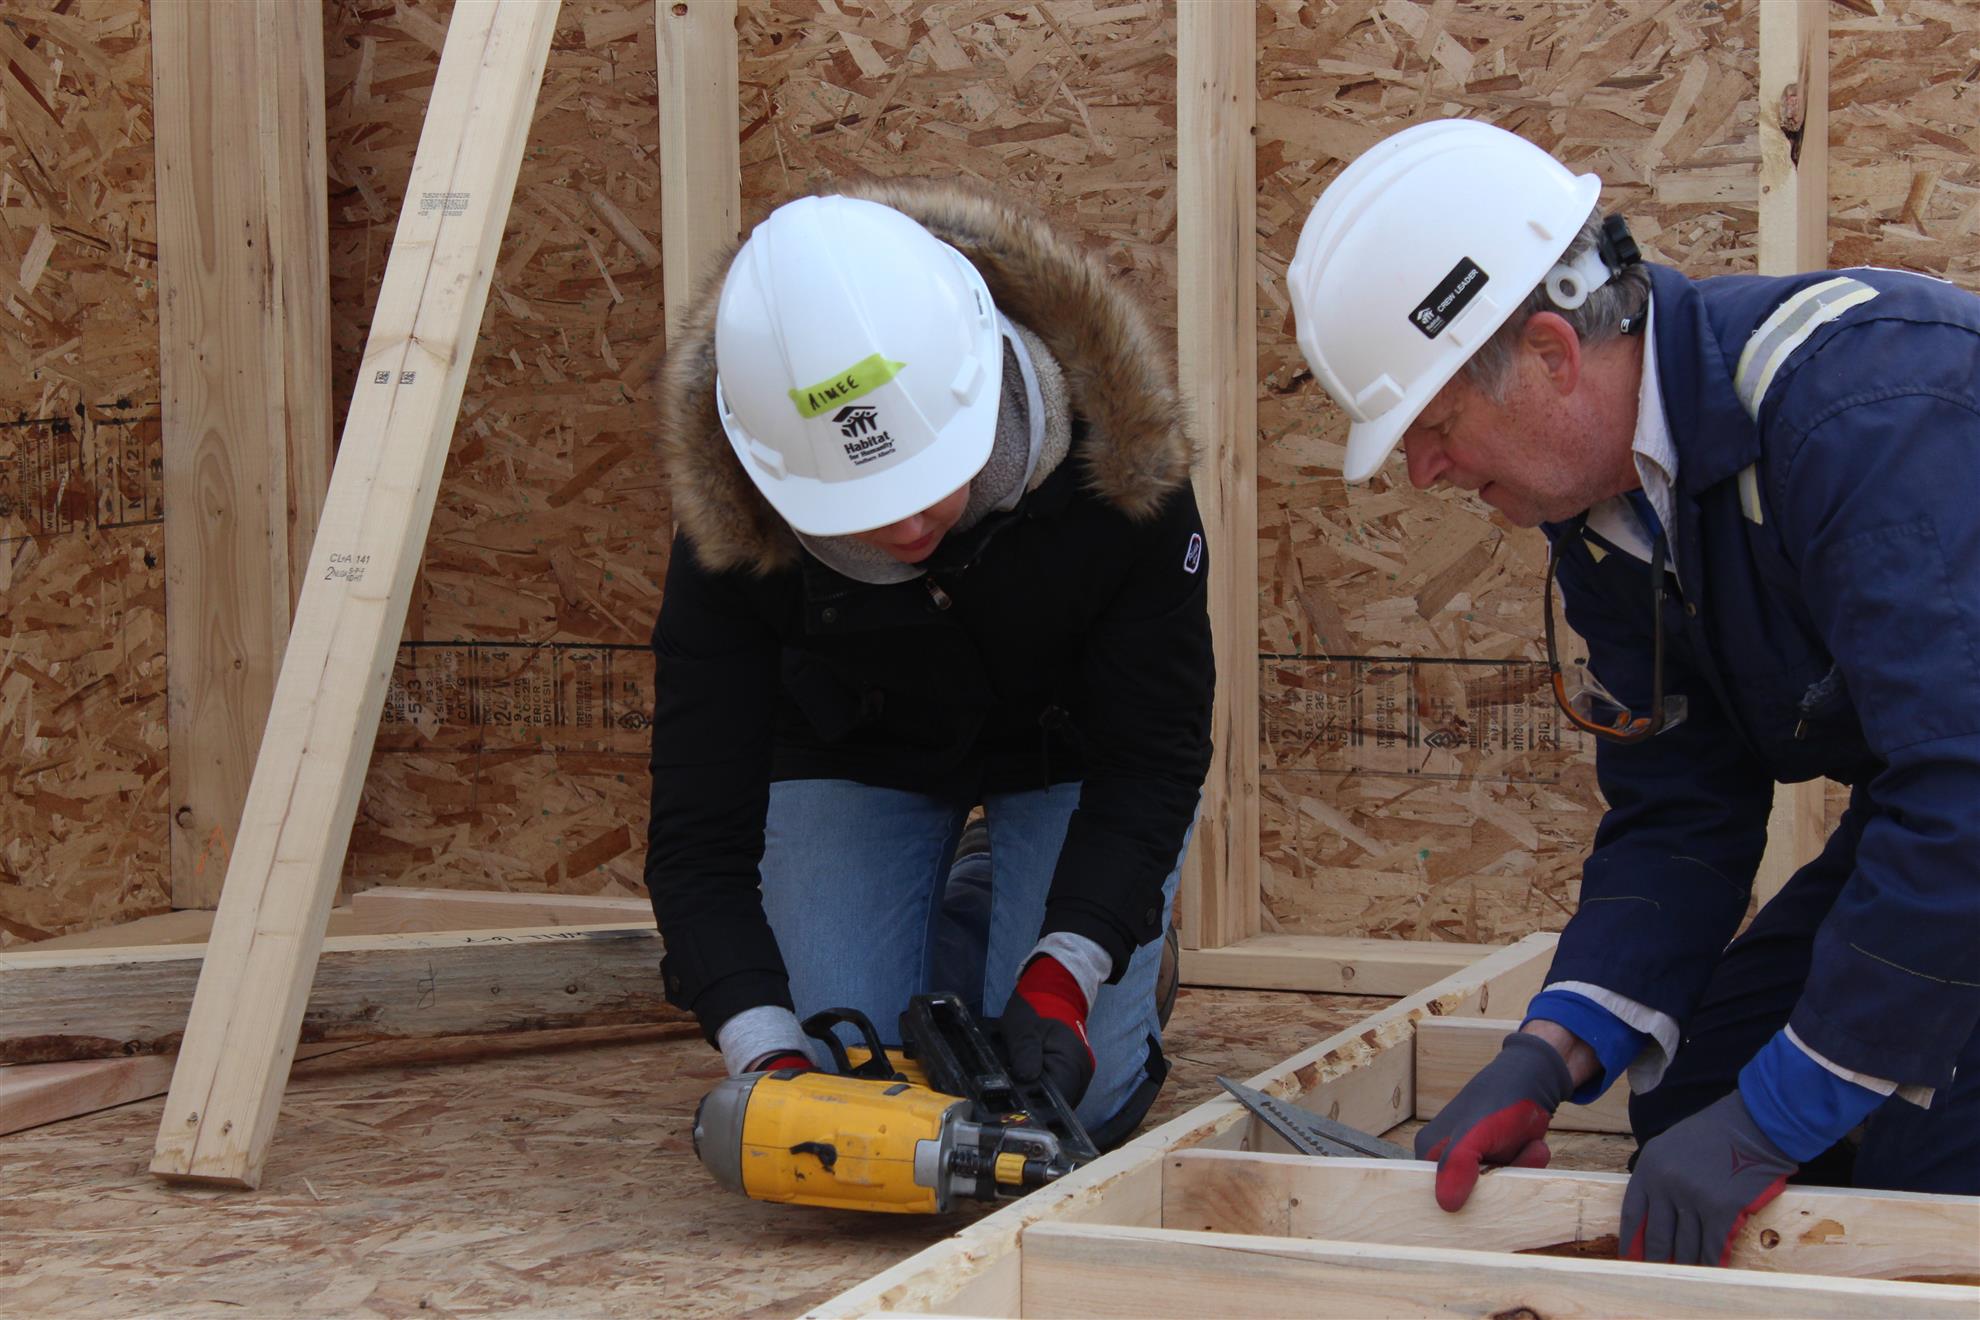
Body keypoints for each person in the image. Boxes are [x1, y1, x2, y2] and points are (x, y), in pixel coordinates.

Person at [1284, 118, 1980, 1265]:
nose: (1425, 471)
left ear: (1555, 355)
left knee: (1923, 1200)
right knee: (1687, 1104)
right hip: (1950, 810)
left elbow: (1963, 800)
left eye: (1438, 426)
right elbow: (1683, 806)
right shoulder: (1606, 518)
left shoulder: (1865, 416)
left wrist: (1774, 1123)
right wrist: (1551, 1050)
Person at [643, 181, 1214, 1147]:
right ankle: (969, 932)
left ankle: (1056, 928)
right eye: (861, 508)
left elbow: (1153, 756)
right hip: (854, 740)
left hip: (1065, 747)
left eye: (925, 480)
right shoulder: (735, 529)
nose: (907, 528)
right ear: (774, 470)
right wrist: (765, 1055)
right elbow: (697, 833)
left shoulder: (1120, 466)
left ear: (982, 384)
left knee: (1078, 1095)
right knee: (840, 1072)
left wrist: (1066, 969)